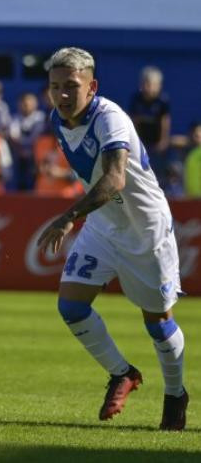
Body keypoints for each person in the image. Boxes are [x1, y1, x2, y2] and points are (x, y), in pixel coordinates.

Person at [37, 47, 188, 431]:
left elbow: (115, 178)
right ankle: (122, 373)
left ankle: (175, 394)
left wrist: (70, 216)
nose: (63, 95)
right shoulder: (57, 119)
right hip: (104, 225)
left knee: (157, 322)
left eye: (72, 86)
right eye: (56, 87)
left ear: (93, 86)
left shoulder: (111, 118)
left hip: (145, 231)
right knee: (71, 307)